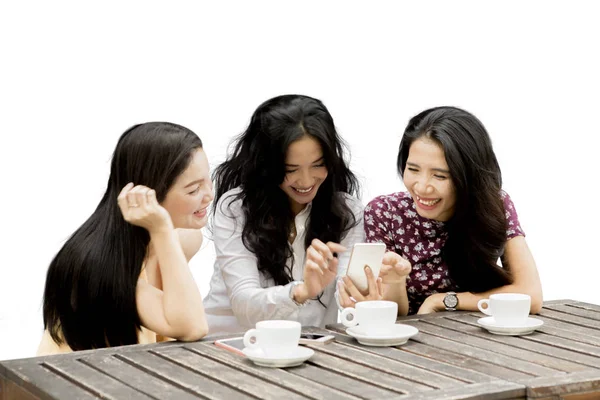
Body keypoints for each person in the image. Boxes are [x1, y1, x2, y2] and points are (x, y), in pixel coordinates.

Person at [339, 106, 542, 315]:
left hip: (480, 337)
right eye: (413, 169)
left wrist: (442, 301)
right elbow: (394, 315)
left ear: (469, 178)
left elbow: (531, 295)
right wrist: (396, 281)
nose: (422, 187)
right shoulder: (385, 213)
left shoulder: (494, 205)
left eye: (440, 176)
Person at [37, 122, 212, 355]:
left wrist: (163, 233)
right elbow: (193, 327)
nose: (209, 195)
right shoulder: (99, 264)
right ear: (149, 193)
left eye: (207, 181)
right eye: (193, 190)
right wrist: (161, 229)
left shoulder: (184, 239)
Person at [203, 94, 368, 334]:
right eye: (291, 169)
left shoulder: (346, 211)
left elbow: (348, 290)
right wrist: (301, 292)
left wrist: (367, 291)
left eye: (318, 165)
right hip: (229, 345)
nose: (306, 180)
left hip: (306, 348)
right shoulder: (236, 208)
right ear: (266, 165)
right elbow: (244, 303)